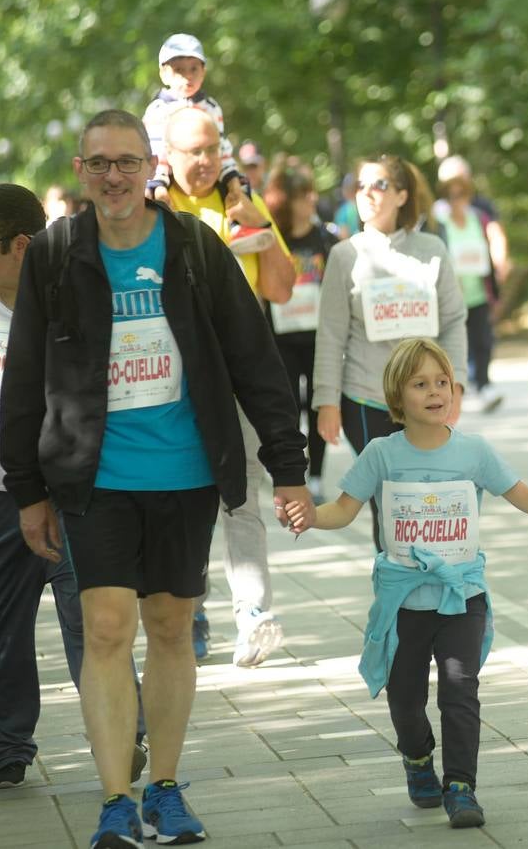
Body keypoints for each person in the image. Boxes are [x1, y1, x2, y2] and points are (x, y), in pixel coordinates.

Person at [0, 109, 311, 847]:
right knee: (107, 627)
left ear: (150, 169)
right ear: (81, 171)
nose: (114, 175)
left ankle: (165, 785)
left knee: (171, 627)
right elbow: (23, 377)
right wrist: (27, 489)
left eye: (127, 162)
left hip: (184, 471)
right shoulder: (55, 254)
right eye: (99, 162)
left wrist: (288, 468)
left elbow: (255, 361)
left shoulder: (193, 247)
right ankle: (115, 799)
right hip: (94, 474)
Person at [281, 337, 528, 829]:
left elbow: (523, 495)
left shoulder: (473, 451)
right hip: (405, 602)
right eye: (420, 384)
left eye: (442, 383)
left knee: (460, 689)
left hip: (461, 596)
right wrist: (309, 516)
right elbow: (343, 510)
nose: (435, 392)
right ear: (397, 397)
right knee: (405, 699)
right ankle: (416, 758)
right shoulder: (381, 454)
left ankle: (461, 786)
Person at [0, 183, 148, 788]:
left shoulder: (79, 304)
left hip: (80, 496)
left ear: (21, 244)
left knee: (95, 622)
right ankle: (8, 746)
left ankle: (126, 734)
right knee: (1, 629)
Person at [165, 105, 297, 665]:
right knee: (185, 497)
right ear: (166, 156)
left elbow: (284, 290)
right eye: (192, 150)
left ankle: (254, 615)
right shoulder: (156, 209)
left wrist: (258, 226)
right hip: (175, 380)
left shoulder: (239, 202)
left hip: (239, 373)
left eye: (212, 148)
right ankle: (190, 605)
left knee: (242, 494)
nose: (203, 160)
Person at [314, 155, 468, 552]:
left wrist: (456, 386)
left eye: (379, 184)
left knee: (424, 497)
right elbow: (331, 333)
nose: (367, 193)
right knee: (388, 502)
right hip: (365, 399)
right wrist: (326, 401)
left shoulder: (431, 249)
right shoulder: (345, 255)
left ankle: (431, 581)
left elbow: (452, 321)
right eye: (361, 185)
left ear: (402, 195)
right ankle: (396, 592)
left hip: (428, 399)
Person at [264, 159, 337, 500]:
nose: (310, 201)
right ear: (286, 200)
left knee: (320, 405)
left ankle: (319, 475)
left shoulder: (325, 238)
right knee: (290, 408)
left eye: (312, 194)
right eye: (302, 195)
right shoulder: (273, 239)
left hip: (319, 338)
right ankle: (295, 471)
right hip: (282, 339)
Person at [142, 33, 246, 208]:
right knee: (151, 203)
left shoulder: (211, 108)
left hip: (208, 178)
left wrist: (231, 178)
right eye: (179, 70)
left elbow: (220, 147)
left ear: (203, 72)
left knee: (242, 195)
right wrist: (159, 185)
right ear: (164, 73)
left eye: (193, 69)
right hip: (164, 179)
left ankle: (236, 228)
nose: (187, 76)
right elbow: (154, 151)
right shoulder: (158, 110)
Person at [435, 162, 507, 414]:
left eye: (462, 194)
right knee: (453, 345)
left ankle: (484, 386)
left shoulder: (478, 218)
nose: (457, 200)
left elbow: (493, 241)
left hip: (478, 293)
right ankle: (452, 392)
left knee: (482, 340)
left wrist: (500, 265)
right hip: (451, 297)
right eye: (452, 196)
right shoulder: (439, 222)